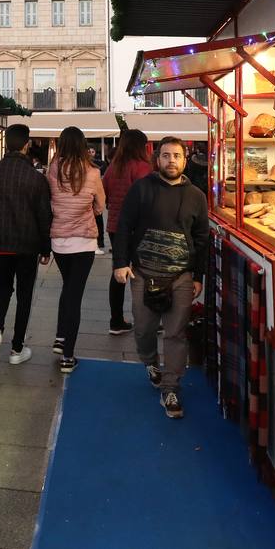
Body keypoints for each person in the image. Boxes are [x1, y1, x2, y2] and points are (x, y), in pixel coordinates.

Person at [112, 136, 210, 419]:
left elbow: (201, 238)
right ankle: (150, 362)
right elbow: (124, 225)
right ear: (157, 159)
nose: (171, 161)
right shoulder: (141, 189)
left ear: (184, 159)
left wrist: (198, 275)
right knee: (143, 329)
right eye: (166, 156)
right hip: (143, 272)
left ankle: (171, 388)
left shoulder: (196, 197)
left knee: (175, 333)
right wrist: (121, 263)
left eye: (177, 156)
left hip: (180, 275)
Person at [0, 123, 52, 365]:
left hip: (0, 245)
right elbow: (44, 216)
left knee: (2, 288)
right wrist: (45, 248)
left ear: (5, 143)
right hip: (27, 246)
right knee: (25, 294)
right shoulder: (35, 178)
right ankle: (17, 349)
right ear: (26, 145)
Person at [45, 126, 105, 375]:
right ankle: (68, 356)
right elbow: (101, 205)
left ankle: (60, 337)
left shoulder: (52, 170)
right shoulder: (93, 172)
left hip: (59, 240)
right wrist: (90, 211)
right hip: (83, 241)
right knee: (74, 295)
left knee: (68, 287)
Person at [100, 129, 151, 335]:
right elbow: (148, 198)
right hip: (138, 227)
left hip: (114, 227)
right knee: (144, 272)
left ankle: (116, 320)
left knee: (118, 272)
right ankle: (147, 320)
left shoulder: (113, 166)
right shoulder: (143, 167)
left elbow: (105, 193)